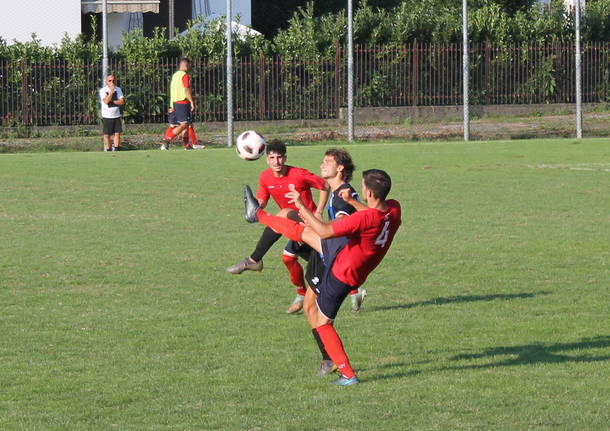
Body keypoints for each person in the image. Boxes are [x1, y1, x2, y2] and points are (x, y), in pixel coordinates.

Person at [242, 168, 402, 386]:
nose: (360, 190)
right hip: (352, 258)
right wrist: (353, 203)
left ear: (370, 194)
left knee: (322, 322)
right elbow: (372, 214)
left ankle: (348, 374)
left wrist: (302, 207)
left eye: (363, 187)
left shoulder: (365, 219)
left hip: (342, 273)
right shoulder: (394, 208)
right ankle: (257, 214)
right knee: (304, 233)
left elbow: (326, 231)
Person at [226, 140, 330, 314]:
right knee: (291, 259)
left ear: (285, 158)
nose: (276, 162)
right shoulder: (265, 177)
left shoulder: (298, 174)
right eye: (272, 158)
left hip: (309, 223)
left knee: (284, 213)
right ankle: (303, 293)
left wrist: (318, 212)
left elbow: (325, 186)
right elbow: (263, 200)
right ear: (267, 159)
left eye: (280, 157)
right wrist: (255, 204)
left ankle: (254, 260)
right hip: (292, 227)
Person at [304, 149, 367, 315]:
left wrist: (318, 224)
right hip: (336, 253)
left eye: (327, 162)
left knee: (312, 309)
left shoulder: (341, 195)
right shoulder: (339, 191)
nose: (322, 165)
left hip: (337, 256)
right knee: (310, 307)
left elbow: (342, 221)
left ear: (340, 168)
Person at [160, 57, 203, 150]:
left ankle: (186, 146)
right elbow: (186, 89)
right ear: (186, 65)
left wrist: (171, 105)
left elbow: (175, 90)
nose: (190, 67)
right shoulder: (185, 75)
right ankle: (167, 140)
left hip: (175, 102)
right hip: (182, 102)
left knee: (178, 125)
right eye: (189, 65)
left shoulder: (175, 75)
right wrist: (192, 101)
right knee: (184, 124)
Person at [99, 74, 125, 152]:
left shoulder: (119, 89)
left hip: (116, 115)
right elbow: (106, 101)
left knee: (117, 133)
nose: (112, 82)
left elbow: (122, 101)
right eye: (110, 81)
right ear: (106, 82)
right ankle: (108, 150)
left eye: (113, 80)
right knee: (106, 135)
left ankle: (117, 149)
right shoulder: (103, 90)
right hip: (107, 116)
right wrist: (111, 92)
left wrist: (112, 102)